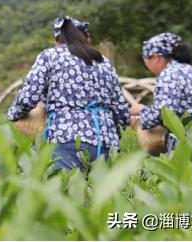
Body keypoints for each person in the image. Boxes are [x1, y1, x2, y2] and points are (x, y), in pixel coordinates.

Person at [7, 16, 129, 171]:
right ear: (87, 39)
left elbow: (28, 98)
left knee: (66, 192)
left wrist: (12, 117)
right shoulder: (103, 61)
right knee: (104, 194)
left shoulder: (50, 56)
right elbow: (122, 113)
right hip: (106, 142)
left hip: (66, 138)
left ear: (57, 40)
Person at [130, 32, 192, 153]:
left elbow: (164, 112)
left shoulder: (169, 74)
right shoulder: (188, 69)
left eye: (146, 61)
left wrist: (141, 112)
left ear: (156, 58)